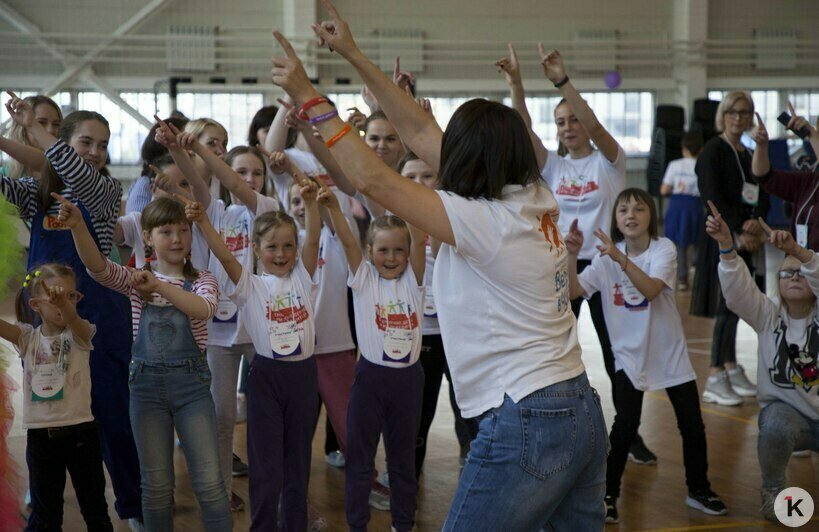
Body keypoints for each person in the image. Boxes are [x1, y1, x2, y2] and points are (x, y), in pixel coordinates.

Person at [270, 3, 608, 528]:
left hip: (526, 413)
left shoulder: (483, 221)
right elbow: (422, 130)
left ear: (470, 160)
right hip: (579, 409)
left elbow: (375, 181)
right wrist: (355, 55)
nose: (437, 153)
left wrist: (309, 96)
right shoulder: (535, 196)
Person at [497, 42, 654, 465]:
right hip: (561, 268)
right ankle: (554, 430)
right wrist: (516, 82)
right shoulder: (554, 167)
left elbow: (598, 127)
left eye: (573, 119)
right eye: (561, 121)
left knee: (614, 351)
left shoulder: (610, 163)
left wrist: (562, 83)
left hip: (606, 268)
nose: (568, 126)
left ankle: (628, 432)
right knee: (554, 348)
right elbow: (522, 128)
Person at [2, 93, 143, 528]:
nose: (97, 153)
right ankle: (41, 493)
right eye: (87, 142)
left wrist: (39, 133)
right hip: (45, 319)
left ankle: (134, 507)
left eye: (103, 145)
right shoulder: (36, 192)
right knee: (47, 407)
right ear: (63, 142)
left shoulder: (102, 188)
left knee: (112, 414)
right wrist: (12, 136)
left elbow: (71, 168)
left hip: (99, 316)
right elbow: (10, 181)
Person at [61, 195, 232, 531]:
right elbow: (96, 268)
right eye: (166, 231)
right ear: (148, 237)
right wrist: (79, 226)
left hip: (192, 391)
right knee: (154, 488)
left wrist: (160, 288)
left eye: (183, 230)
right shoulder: (135, 279)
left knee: (211, 484)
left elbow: (203, 309)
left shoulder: (203, 279)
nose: (177, 238)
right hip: (146, 390)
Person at [566, 188, 727, 523]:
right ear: (615, 220)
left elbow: (651, 289)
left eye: (639, 209)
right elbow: (573, 291)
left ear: (650, 216)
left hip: (669, 354)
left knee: (692, 425)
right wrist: (571, 254)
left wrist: (619, 259)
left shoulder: (663, 249)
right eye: (623, 210)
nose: (631, 215)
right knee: (625, 425)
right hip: (629, 356)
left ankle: (699, 489)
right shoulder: (604, 257)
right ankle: (607, 496)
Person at [187, 175, 321, 531]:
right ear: (257, 249)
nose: (281, 254)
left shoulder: (304, 277)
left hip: (304, 378)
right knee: (266, 465)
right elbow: (224, 256)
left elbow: (316, 237)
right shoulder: (250, 285)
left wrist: (310, 202)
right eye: (273, 247)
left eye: (288, 246)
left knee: (298, 461)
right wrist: (202, 221)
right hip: (267, 379)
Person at [706, 201, 819, 522]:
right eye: (787, 272)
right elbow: (737, 290)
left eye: (801, 271)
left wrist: (798, 249)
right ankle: (773, 494)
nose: (794, 277)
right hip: (789, 415)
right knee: (775, 425)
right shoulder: (767, 315)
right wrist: (727, 246)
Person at [326, 188, 426, 532]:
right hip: (370, 380)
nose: (392, 256)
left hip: (408, 382)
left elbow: (418, 231)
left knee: (402, 461)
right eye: (383, 250)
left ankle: (403, 523)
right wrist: (333, 209)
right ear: (370, 252)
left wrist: (411, 201)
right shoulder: (364, 279)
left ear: (410, 253)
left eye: (400, 250)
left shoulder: (414, 280)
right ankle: (358, 524)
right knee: (360, 459)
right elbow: (348, 241)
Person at [1, 264, 113, 531]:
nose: (66, 302)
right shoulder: (27, 338)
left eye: (72, 296)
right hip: (41, 439)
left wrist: (66, 306)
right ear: (37, 305)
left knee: (95, 509)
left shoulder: (80, 334)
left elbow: (76, 323)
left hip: (82, 436)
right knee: (46, 515)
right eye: (57, 297)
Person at [399, 152, 477, 475]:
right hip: (422, 331)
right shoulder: (393, 217)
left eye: (427, 176)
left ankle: (473, 459)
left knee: (468, 404)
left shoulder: (457, 215)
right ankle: (408, 476)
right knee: (420, 407)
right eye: (410, 177)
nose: (419, 184)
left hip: (459, 327)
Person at [692, 90, 769, 406]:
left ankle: (731, 365)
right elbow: (712, 196)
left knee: (738, 305)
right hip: (723, 239)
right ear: (723, 115)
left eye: (745, 112)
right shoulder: (713, 150)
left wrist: (754, 223)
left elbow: (762, 190)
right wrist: (736, 230)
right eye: (733, 112)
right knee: (726, 306)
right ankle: (714, 374)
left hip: (748, 239)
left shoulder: (748, 152)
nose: (739, 118)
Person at [752, 104, 819, 251]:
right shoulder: (809, 179)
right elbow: (764, 176)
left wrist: (811, 134)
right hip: (800, 267)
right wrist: (762, 146)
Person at [661, 132, 704, 290]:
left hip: (678, 206)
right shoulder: (703, 165)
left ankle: (682, 279)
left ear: (684, 148)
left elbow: (664, 189)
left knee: (680, 243)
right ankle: (699, 275)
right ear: (701, 149)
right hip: (696, 206)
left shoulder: (675, 165)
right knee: (698, 240)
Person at [125, 116, 189, 215]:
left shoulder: (196, 178)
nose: (190, 148)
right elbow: (139, 227)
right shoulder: (144, 185)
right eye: (183, 141)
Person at [0, 95, 62, 179]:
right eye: (41, 123)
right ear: (22, 129)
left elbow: (46, 164)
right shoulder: (4, 175)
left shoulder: (67, 169)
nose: (50, 130)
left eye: (56, 124)